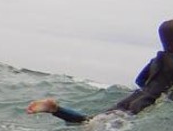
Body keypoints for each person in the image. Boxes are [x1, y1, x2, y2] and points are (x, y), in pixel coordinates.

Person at [27, 20, 173, 124]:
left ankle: (56, 109)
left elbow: (140, 81)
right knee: (100, 126)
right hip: (145, 103)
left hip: (133, 98)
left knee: (92, 120)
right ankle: (55, 109)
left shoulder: (157, 59)